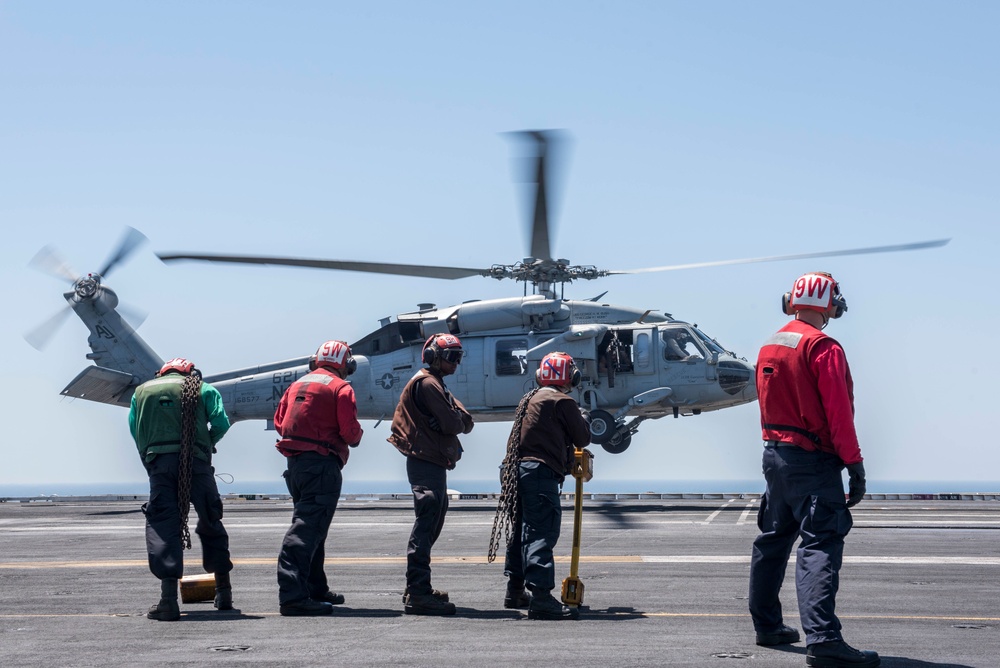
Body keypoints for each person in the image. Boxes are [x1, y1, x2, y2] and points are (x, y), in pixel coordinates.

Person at [748, 272, 880, 668]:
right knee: (820, 544)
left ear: (792, 300)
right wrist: (854, 464)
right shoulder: (823, 347)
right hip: (812, 461)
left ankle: (768, 625)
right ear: (830, 304)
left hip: (775, 456)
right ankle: (822, 640)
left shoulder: (771, 344)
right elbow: (838, 413)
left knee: (772, 541)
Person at [128, 357, 233, 622]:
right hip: (197, 462)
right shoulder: (204, 388)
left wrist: (152, 458)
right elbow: (221, 423)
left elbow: (136, 428)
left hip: (160, 464)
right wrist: (206, 445)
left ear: (161, 373)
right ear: (190, 372)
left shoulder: (141, 392)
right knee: (211, 519)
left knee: (163, 523)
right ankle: (224, 593)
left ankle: (168, 601)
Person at [274, 340, 364, 617]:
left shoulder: (296, 385)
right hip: (322, 466)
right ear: (346, 364)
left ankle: (315, 587)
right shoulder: (341, 387)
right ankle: (292, 596)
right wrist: (356, 436)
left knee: (315, 530)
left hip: (296, 466)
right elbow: (350, 432)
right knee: (306, 530)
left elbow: (280, 422)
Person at [388, 333, 474, 615]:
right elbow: (455, 422)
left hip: (432, 460)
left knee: (432, 523)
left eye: (458, 357)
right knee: (426, 524)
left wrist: (456, 419)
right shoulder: (427, 384)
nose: (455, 363)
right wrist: (454, 420)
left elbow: (465, 420)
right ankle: (418, 593)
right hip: (425, 461)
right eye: (451, 357)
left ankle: (417, 587)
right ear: (432, 356)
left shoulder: (436, 383)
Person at [503, 351, 591, 620]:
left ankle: (515, 590)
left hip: (514, 471)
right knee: (541, 531)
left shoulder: (530, 398)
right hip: (539, 473)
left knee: (521, 531)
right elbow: (583, 437)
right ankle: (541, 597)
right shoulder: (562, 401)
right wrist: (583, 416)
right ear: (571, 376)